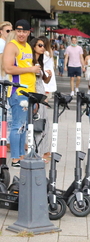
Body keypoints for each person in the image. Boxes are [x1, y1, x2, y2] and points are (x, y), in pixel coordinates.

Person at [3, 20, 40, 168]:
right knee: (17, 125)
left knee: (23, 126)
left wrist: (35, 94)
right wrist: (31, 69)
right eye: (18, 31)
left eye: (24, 31)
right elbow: (8, 69)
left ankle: (21, 156)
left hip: (29, 92)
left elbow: (26, 67)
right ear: (15, 31)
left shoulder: (28, 47)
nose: (21, 34)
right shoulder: (12, 46)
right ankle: (15, 158)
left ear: (28, 32)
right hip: (17, 91)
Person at [30, 37, 53, 159]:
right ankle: (36, 152)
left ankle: (42, 151)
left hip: (41, 92)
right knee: (38, 122)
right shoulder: (31, 62)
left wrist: (49, 76)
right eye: (40, 45)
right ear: (33, 46)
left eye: (44, 45)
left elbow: (44, 80)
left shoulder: (40, 61)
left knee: (44, 123)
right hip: (36, 94)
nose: (43, 47)